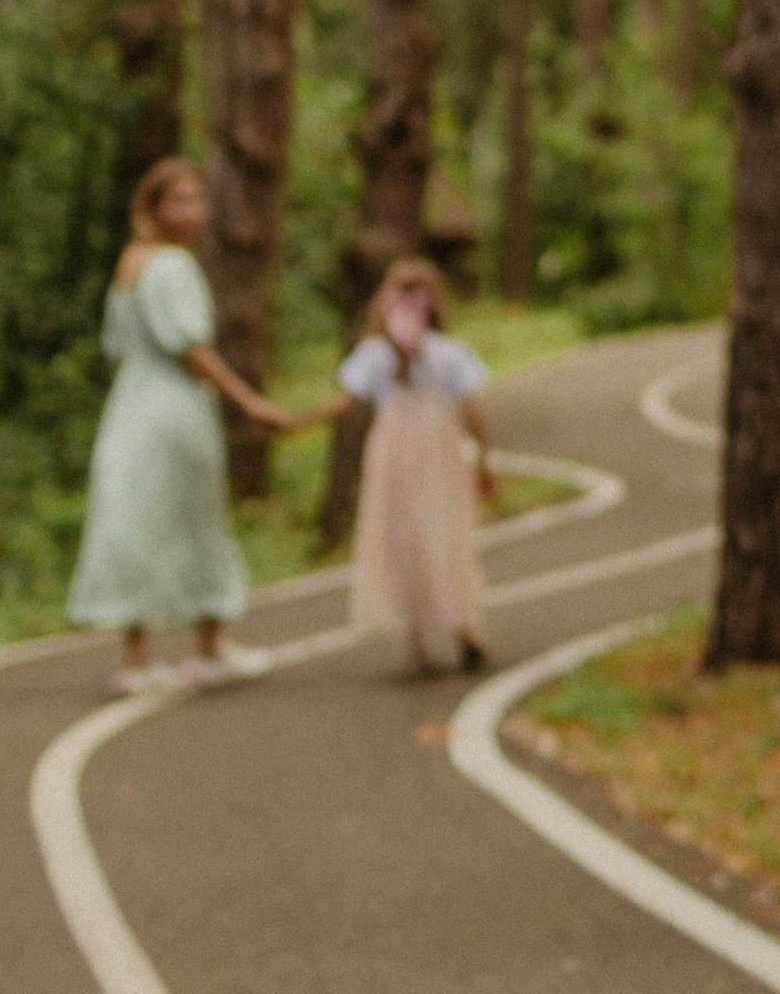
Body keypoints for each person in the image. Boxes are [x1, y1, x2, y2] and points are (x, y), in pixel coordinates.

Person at [68, 156, 282, 694]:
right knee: (197, 517)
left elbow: (116, 345)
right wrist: (247, 400)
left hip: (130, 404)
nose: (193, 212)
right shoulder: (170, 266)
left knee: (133, 516)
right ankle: (207, 649)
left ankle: (138, 658)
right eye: (180, 200)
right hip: (175, 407)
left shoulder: (131, 263)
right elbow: (189, 346)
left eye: (198, 199)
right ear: (154, 208)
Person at [288, 257, 498, 679]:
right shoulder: (448, 353)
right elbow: (471, 411)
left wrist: (295, 421)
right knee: (446, 532)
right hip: (438, 454)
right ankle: (464, 628)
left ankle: (419, 642)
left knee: (402, 538)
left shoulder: (374, 353)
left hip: (392, 456)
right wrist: (483, 457)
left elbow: (345, 402)